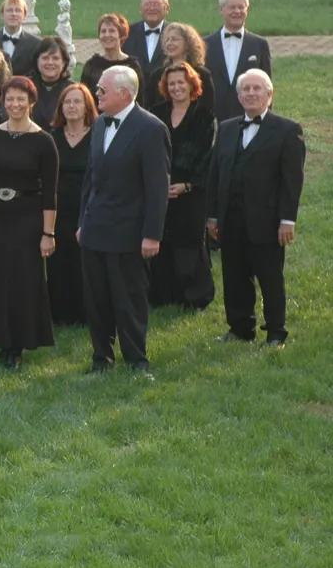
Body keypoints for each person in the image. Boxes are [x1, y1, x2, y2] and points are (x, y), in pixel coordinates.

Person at [78, 66, 171, 376]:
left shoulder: (151, 129)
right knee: (96, 300)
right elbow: (90, 179)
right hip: (95, 229)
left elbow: (157, 187)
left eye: (102, 89)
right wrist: (82, 222)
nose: (96, 94)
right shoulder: (99, 124)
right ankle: (101, 359)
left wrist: (152, 234)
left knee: (128, 299)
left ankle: (136, 361)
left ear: (125, 93)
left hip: (129, 233)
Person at [206, 69, 305, 347]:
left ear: (269, 94)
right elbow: (215, 174)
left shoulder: (287, 130)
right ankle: (240, 328)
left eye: (257, 88)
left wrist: (287, 220)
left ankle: (276, 331)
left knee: (270, 277)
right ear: (238, 97)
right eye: (245, 89)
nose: (251, 93)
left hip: (267, 220)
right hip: (231, 218)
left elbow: (292, 181)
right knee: (234, 276)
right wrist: (212, 215)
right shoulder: (227, 128)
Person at [0, 77, 59, 368]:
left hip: (27, 218)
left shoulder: (44, 141)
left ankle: (17, 345)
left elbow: (50, 193)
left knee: (22, 281)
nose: (15, 104)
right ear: (3, 101)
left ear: (31, 102)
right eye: (9, 99)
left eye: (21, 99)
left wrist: (48, 233)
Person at [147, 62, 217, 310]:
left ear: (191, 85)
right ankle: (162, 295)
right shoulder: (155, 113)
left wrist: (186, 185)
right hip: (158, 188)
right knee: (161, 240)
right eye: (171, 83)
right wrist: (158, 183)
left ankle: (194, 297)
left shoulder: (205, 117)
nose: (176, 87)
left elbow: (207, 157)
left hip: (191, 191)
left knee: (188, 243)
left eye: (181, 82)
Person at [47, 83, 97, 327]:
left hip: (87, 209)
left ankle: (86, 313)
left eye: (77, 101)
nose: (72, 106)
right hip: (57, 209)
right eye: (67, 102)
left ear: (87, 106)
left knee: (84, 262)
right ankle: (58, 314)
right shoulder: (52, 137)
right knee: (58, 261)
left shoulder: (98, 136)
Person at [203, 0, 274, 122]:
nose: (237, 11)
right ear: (222, 10)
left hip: (249, 115)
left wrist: (267, 120)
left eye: (241, 7)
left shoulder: (259, 44)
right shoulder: (205, 44)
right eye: (232, 7)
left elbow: (267, 84)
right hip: (213, 117)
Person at [142, 23, 214, 112]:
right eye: (167, 40)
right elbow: (148, 108)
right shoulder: (157, 75)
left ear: (188, 44)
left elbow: (207, 108)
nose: (169, 43)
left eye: (174, 39)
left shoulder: (202, 75)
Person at [78, 13, 141, 95]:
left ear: (122, 35)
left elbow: (138, 97)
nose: (107, 35)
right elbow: (85, 97)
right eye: (103, 31)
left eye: (112, 31)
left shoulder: (132, 65)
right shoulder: (92, 65)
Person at [120, 0, 170, 81]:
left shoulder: (176, 34)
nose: (151, 8)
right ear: (141, 8)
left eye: (156, 4)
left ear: (167, 8)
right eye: (147, 4)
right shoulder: (126, 33)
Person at [27, 36, 73, 126]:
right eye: (45, 58)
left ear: (64, 62)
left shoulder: (72, 90)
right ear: (37, 60)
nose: (50, 62)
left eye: (55, 58)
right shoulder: (25, 87)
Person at [0, 0, 40, 77]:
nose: (13, 14)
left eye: (18, 10)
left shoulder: (36, 43)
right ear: (2, 15)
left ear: (24, 16)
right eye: (9, 10)